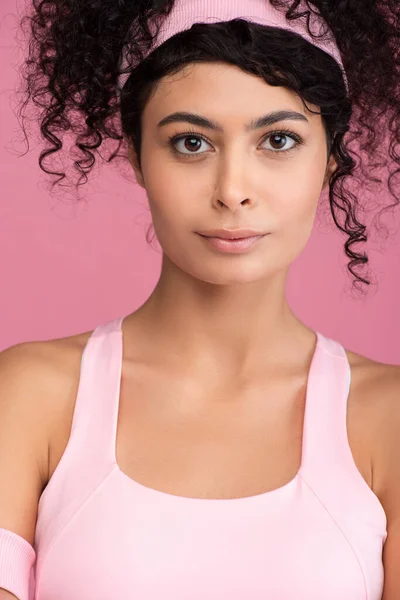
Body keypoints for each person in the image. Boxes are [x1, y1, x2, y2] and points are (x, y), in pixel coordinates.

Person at [0, 0, 400, 598]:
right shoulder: (29, 394)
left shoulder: (388, 418)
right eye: (191, 142)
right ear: (136, 155)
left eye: (280, 139)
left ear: (331, 158)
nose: (233, 190)